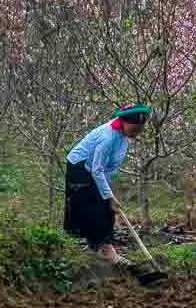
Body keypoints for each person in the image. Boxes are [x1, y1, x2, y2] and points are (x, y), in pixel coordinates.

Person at [64, 104, 150, 263]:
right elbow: (96, 169)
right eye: (135, 128)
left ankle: (96, 247)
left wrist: (109, 192)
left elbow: (110, 167)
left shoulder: (124, 137)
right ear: (124, 122)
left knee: (106, 203)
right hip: (80, 167)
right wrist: (108, 196)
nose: (137, 132)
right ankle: (105, 250)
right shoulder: (108, 137)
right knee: (96, 204)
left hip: (96, 170)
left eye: (140, 129)